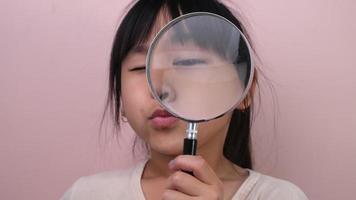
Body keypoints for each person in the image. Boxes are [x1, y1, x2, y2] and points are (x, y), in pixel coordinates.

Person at [61, 0, 308, 199]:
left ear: (245, 91)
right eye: (139, 68)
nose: (160, 87)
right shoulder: (86, 194)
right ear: (120, 98)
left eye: (188, 62)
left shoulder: (279, 196)